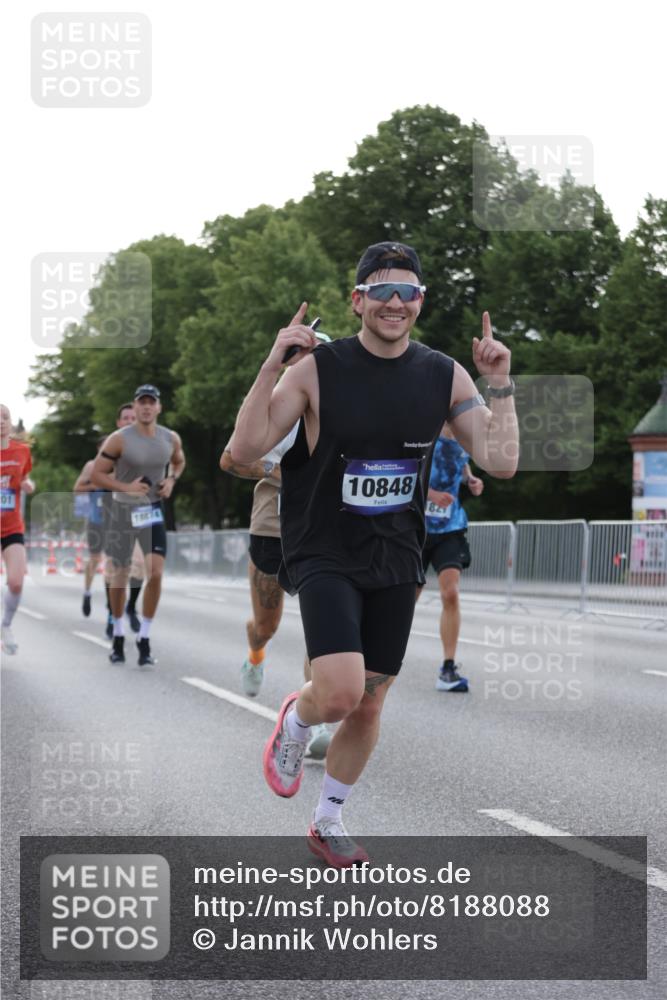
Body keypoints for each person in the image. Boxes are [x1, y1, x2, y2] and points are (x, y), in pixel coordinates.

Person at [230, 241, 518, 867]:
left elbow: (501, 460)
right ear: (357, 300)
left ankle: (327, 816)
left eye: (407, 291)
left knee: (371, 698)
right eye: (380, 290)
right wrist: (270, 366)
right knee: (337, 692)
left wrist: (500, 382)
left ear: (421, 302)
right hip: (323, 547)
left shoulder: (444, 374)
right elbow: (246, 444)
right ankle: (296, 720)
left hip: (396, 553)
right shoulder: (316, 369)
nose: (394, 302)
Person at [220, 427, 331, 759]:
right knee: (266, 627)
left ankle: (318, 718)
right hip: (272, 530)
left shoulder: (347, 401)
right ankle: (255, 657)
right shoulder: (281, 409)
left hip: (323, 532)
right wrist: (279, 469)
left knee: (325, 630)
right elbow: (230, 460)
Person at [91, 385, 185, 666]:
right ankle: (118, 634)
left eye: (151, 402)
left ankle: (144, 637)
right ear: (135, 406)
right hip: (122, 509)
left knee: (155, 573)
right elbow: (97, 474)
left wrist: (171, 480)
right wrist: (125, 486)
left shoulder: (170, 438)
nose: (146, 407)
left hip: (153, 510)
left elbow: (179, 462)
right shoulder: (119, 440)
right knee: (119, 574)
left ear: (159, 407)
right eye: (141, 402)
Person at [417, 423, 484, 692]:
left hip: (450, 527)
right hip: (416, 528)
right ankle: (376, 657)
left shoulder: (466, 436)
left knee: (451, 594)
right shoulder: (425, 432)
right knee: (405, 598)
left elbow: (463, 463)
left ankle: (448, 668)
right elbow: (407, 472)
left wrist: (471, 480)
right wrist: (430, 494)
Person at [73, 404, 145, 636]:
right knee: (104, 564)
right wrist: (105, 481)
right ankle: (103, 606)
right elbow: (78, 488)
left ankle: (130, 608)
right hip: (101, 519)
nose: (129, 421)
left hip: (133, 517)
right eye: (125, 418)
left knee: (139, 566)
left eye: (132, 418)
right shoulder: (95, 464)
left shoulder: (140, 455)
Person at [1, 404, 36, 655]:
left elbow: (22, 478)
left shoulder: (22, 451)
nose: (1, 422)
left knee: (15, 583)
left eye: (5, 417)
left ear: (11, 423)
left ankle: (6, 625)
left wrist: (27, 484)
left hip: (12, 526)